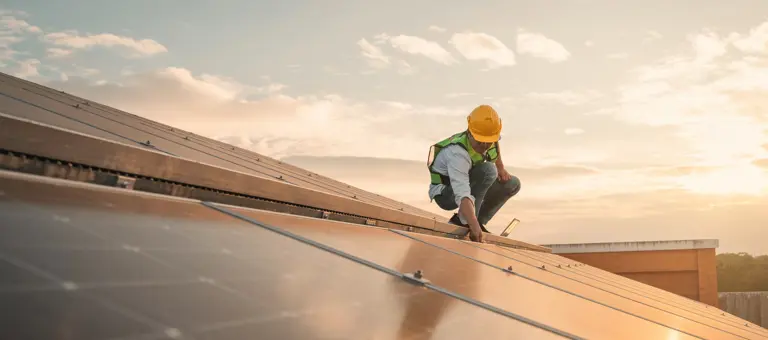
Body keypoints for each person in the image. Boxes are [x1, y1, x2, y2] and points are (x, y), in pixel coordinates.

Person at [426, 104, 521, 243]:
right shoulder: (457, 153)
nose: (484, 146)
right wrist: (472, 223)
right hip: (446, 193)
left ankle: (479, 221)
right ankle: (465, 221)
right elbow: (462, 193)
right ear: (470, 132)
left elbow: (494, 145)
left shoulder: (488, 139)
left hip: (469, 183)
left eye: (488, 142)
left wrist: (500, 166)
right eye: (480, 142)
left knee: (512, 183)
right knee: (488, 170)